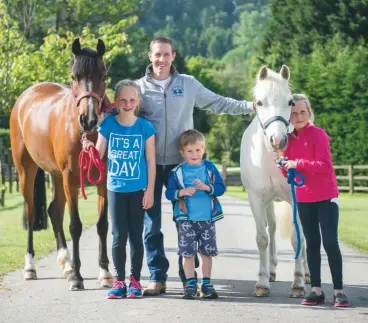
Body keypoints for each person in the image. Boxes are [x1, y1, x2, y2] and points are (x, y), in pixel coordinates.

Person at [135, 36, 255, 296]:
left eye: (166, 54)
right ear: (149, 56)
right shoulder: (138, 88)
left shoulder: (188, 84)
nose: (161, 59)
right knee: (151, 224)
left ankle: (189, 279)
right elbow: (119, 114)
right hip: (151, 166)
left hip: (183, 168)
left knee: (187, 222)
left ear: (173, 56)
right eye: (157, 54)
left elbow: (218, 102)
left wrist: (250, 106)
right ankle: (157, 278)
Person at [82, 80, 156, 299]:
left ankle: (135, 281)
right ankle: (119, 281)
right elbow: (99, 154)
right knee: (118, 236)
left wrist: (150, 190)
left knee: (135, 236)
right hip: (115, 189)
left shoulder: (145, 127)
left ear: (138, 102)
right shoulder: (108, 125)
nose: (127, 103)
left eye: (132, 100)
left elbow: (151, 161)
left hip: (138, 190)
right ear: (116, 101)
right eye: (123, 99)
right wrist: (89, 148)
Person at [278, 94, 349, 307]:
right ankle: (316, 290)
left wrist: (296, 163)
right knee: (312, 244)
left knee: (329, 242)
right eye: (293, 114)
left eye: (302, 112)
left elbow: (324, 166)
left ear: (309, 113)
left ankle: (339, 291)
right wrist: (284, 166)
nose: (298, 116)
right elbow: (289, 174)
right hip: (304, 198)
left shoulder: (319, 135)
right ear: (288, 117)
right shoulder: (288, 140)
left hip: (326, 197)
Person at [165, 129, 225, 299]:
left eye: (198, 150)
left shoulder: (209, 168)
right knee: (188, 253)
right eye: (189, 151)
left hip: (206, 219)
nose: (194, 154)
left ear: (203, 149)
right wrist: (182, 192)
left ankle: (207, 284)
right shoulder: (177, 172)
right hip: (186, 220)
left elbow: (220, 188)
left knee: (207, 253)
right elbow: (169, 193)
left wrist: (208, 188)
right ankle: (190, 284)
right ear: (182, 153)